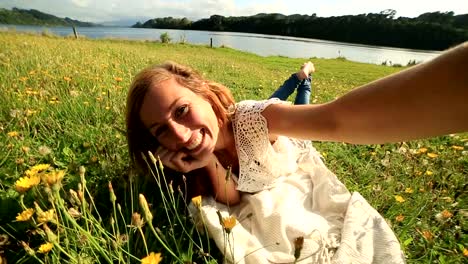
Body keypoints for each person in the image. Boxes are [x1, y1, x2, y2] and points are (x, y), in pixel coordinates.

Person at [126, 41, 467, 263]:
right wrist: (204, 162)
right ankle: (299, 79)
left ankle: (304, 77)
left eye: (182, 110)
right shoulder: (190, 156)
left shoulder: (257, 119)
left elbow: (335, 121)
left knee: (292, 102)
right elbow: (230, 195)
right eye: (161, 130)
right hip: (256, 126)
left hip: (287, 142)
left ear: (202, 91)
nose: (180, 135)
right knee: (279, 98)